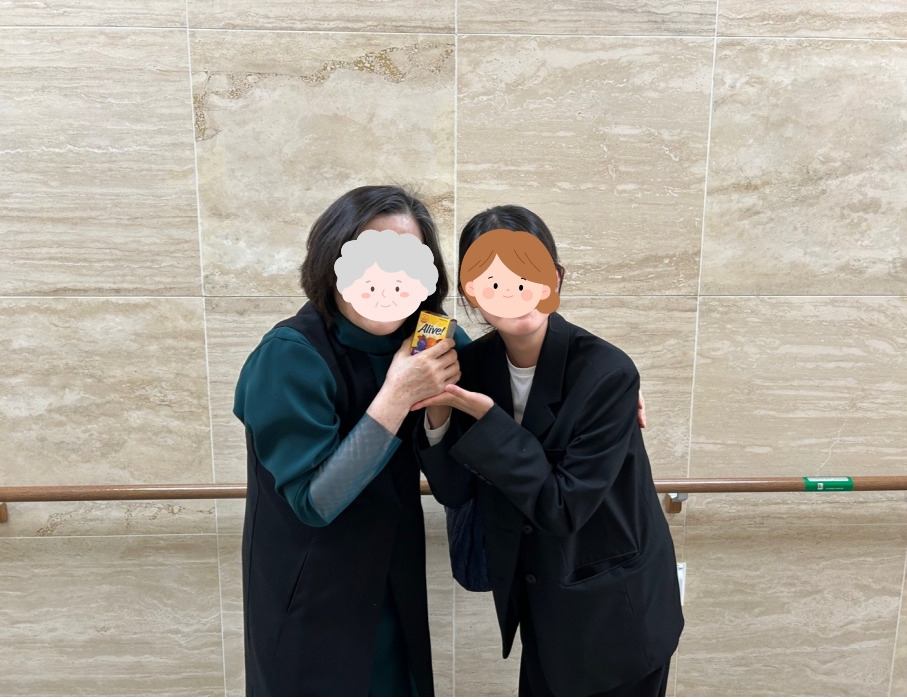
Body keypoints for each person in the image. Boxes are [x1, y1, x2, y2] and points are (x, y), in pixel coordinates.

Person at [413, 205, 684, 697]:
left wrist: (489, 422)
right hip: (540, 602)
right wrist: (437, 414)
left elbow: (563, 506)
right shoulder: (472, 367)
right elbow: (454, 492)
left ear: (555, 278)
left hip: (618, 609)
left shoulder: (607, 373)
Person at [234, 185, 468, 696]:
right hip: (309, 591)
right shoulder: (289, 354)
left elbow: (510, 391)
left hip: (394, 580)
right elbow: (316, 501)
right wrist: (397, 396)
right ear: (332, 264)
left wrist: (604, 388)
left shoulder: (429, 339)